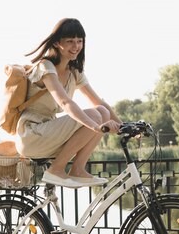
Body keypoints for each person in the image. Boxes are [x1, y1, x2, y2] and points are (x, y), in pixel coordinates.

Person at [15, 18, 122, 188]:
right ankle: (56, 169)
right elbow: (65, 102)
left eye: (80, 41)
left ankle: (77, 168)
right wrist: (95, 127)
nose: (76, 46)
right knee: (95, 115)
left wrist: (124, 126)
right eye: (70, 41)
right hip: (32, 134)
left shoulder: (74, 72)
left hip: (49, 132)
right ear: (57, 43)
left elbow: (99, 102)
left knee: (102, 111)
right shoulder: (45, 67)